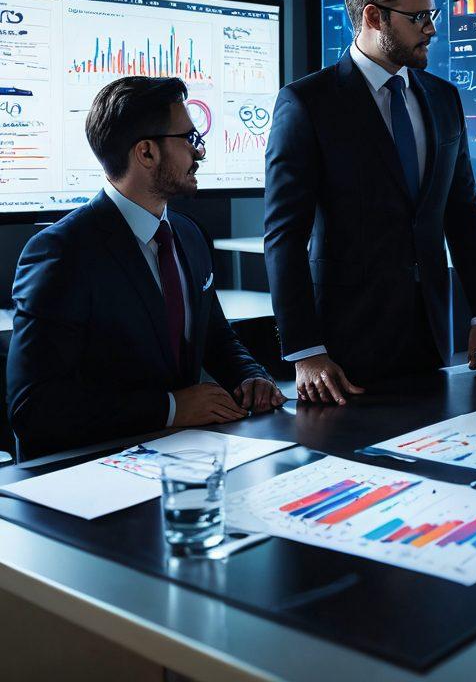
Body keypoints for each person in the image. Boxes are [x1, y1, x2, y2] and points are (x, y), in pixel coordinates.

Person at [264, 0, 476, 404]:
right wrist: (305, 351)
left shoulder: (443, 98)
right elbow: (284, 236)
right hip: (341, 353)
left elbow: (463, 214)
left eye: (431, 13)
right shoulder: (307, 104)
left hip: (431, 336)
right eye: (418, 17)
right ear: (373, 17)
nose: (431, 28)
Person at [7, 77, 283, 460]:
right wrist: (171, 408)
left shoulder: (188, 234)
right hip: (94, 472)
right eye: (188, 138)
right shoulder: (61, 252)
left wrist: (251, 376)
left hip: (180, 457)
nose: (199, 151)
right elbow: (33, 409)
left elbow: (216, 337)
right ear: (146, 153)